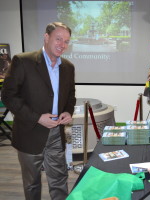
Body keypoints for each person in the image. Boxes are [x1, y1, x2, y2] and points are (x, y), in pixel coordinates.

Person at [1, 22, 76, 200]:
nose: (62, 44)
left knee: (59, 179)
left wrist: (67, 111)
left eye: (66, 41)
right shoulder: (23, 61)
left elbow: (71, 95)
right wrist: (37, 118)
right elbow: (8, 96)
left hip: (56, 133)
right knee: (31, 183)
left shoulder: (68, 67)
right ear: (46, 37)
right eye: (58, 39)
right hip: (30, 133)